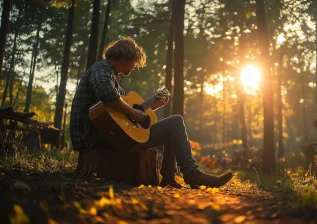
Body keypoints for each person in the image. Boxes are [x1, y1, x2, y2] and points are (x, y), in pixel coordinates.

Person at [70, 37, 233, 189]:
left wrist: (152, 106)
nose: (135, 67)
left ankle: (169, 176)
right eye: (135, 62)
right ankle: (192, 174)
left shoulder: (114, 78)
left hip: (110, 135)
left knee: (172, 126)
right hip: (96, 137)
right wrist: (135, 114)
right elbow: (107, 95)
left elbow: (123, 114)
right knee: (175, 122)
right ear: (126, 56)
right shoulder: (101, 69)